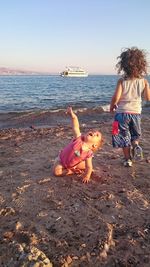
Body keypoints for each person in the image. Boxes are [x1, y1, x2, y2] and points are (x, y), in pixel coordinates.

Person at [110, 47, 150, 167]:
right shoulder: (143, 81)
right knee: (134, 135)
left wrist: (112, 106)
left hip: (122, 113)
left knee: (123, 136)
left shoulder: (122, 81)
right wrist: (146, 86)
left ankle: (127, 159)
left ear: (123, 65)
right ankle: (136, 145)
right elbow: (148, 98)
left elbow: (116, 98)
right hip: (136, 113)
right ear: (141, 64)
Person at [53, 107, 103, 183]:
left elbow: (89, 166)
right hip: (62, 160)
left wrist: (87, 176)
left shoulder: (88, 153)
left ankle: (71, 170)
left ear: (94, 145)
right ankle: (71, 171)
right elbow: (76, 127)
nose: (94, 132)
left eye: (97, 135)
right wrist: (73, 116)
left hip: (75, 164)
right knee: (57, 172)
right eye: (94, 132)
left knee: (89, 168)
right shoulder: (79, 138)